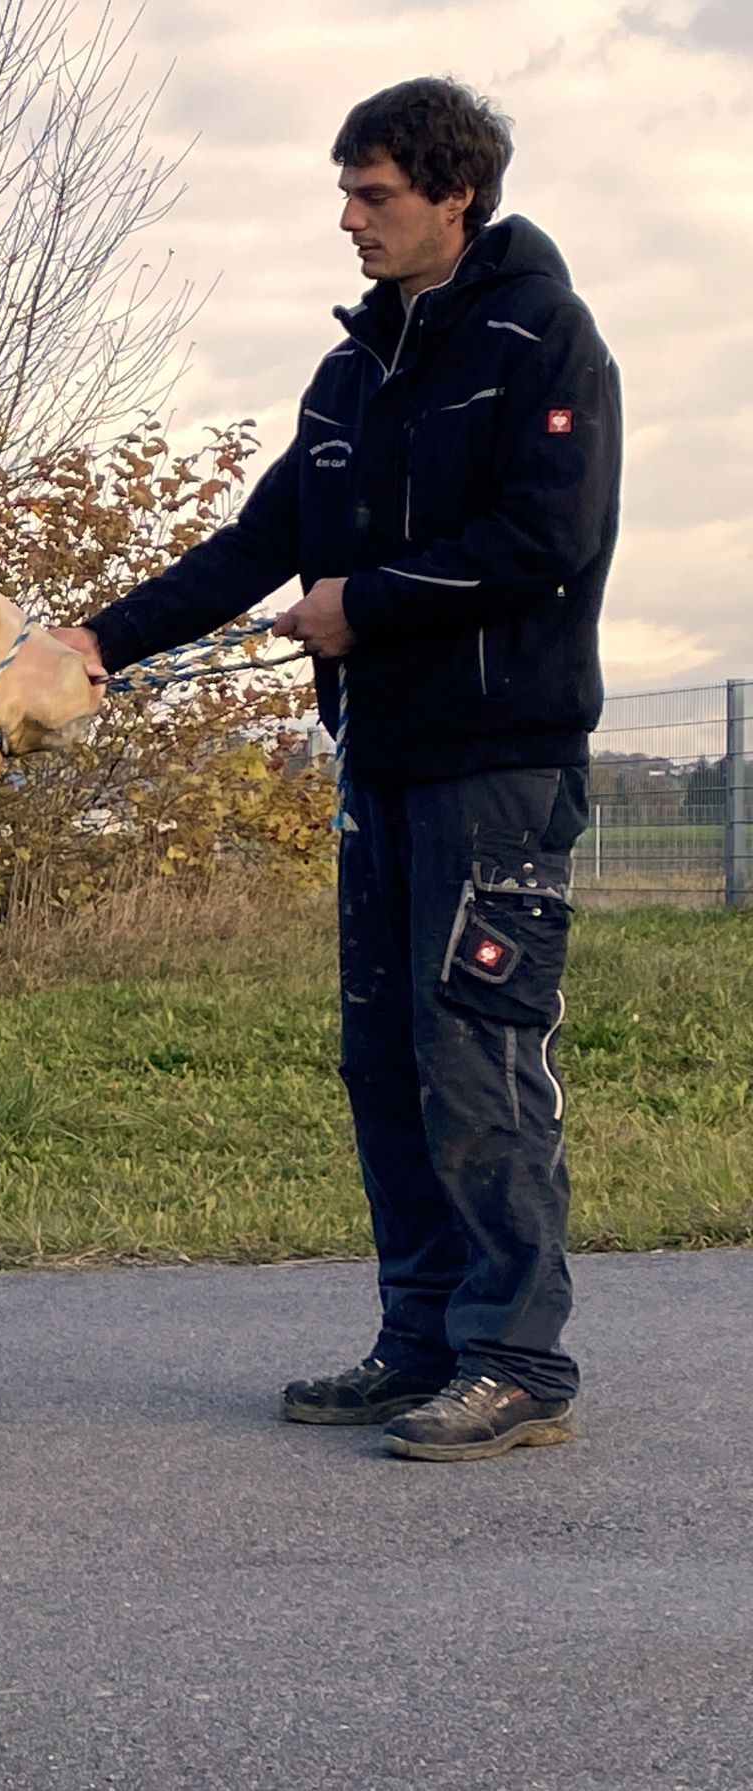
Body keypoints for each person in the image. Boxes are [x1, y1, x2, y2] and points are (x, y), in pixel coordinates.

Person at [53, 77, 621, 1461]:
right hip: (381, 762)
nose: (350, 220)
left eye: (374, 195)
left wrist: (367, 603)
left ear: (454, 195)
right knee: (385, 1057)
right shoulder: (350, 371)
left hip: (501, 763)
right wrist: (93, 641)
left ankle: (517, 1361)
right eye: (346, 194)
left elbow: (545, 538)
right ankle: (421, 1338)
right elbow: (255, 547)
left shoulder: (539, 341)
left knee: (475, 1052)